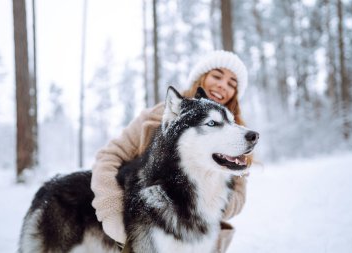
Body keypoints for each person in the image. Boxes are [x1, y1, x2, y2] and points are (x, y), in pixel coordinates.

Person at [91, 50, 252, 252]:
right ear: (201, 77)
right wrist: (111, 210)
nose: (223, 85)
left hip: (199, 234)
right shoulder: (158, 115)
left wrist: (206, 202)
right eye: (217, 76)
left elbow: (238, 197)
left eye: (232, 84)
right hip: (142, 224)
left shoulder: (236, 136)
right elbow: (108, 157)